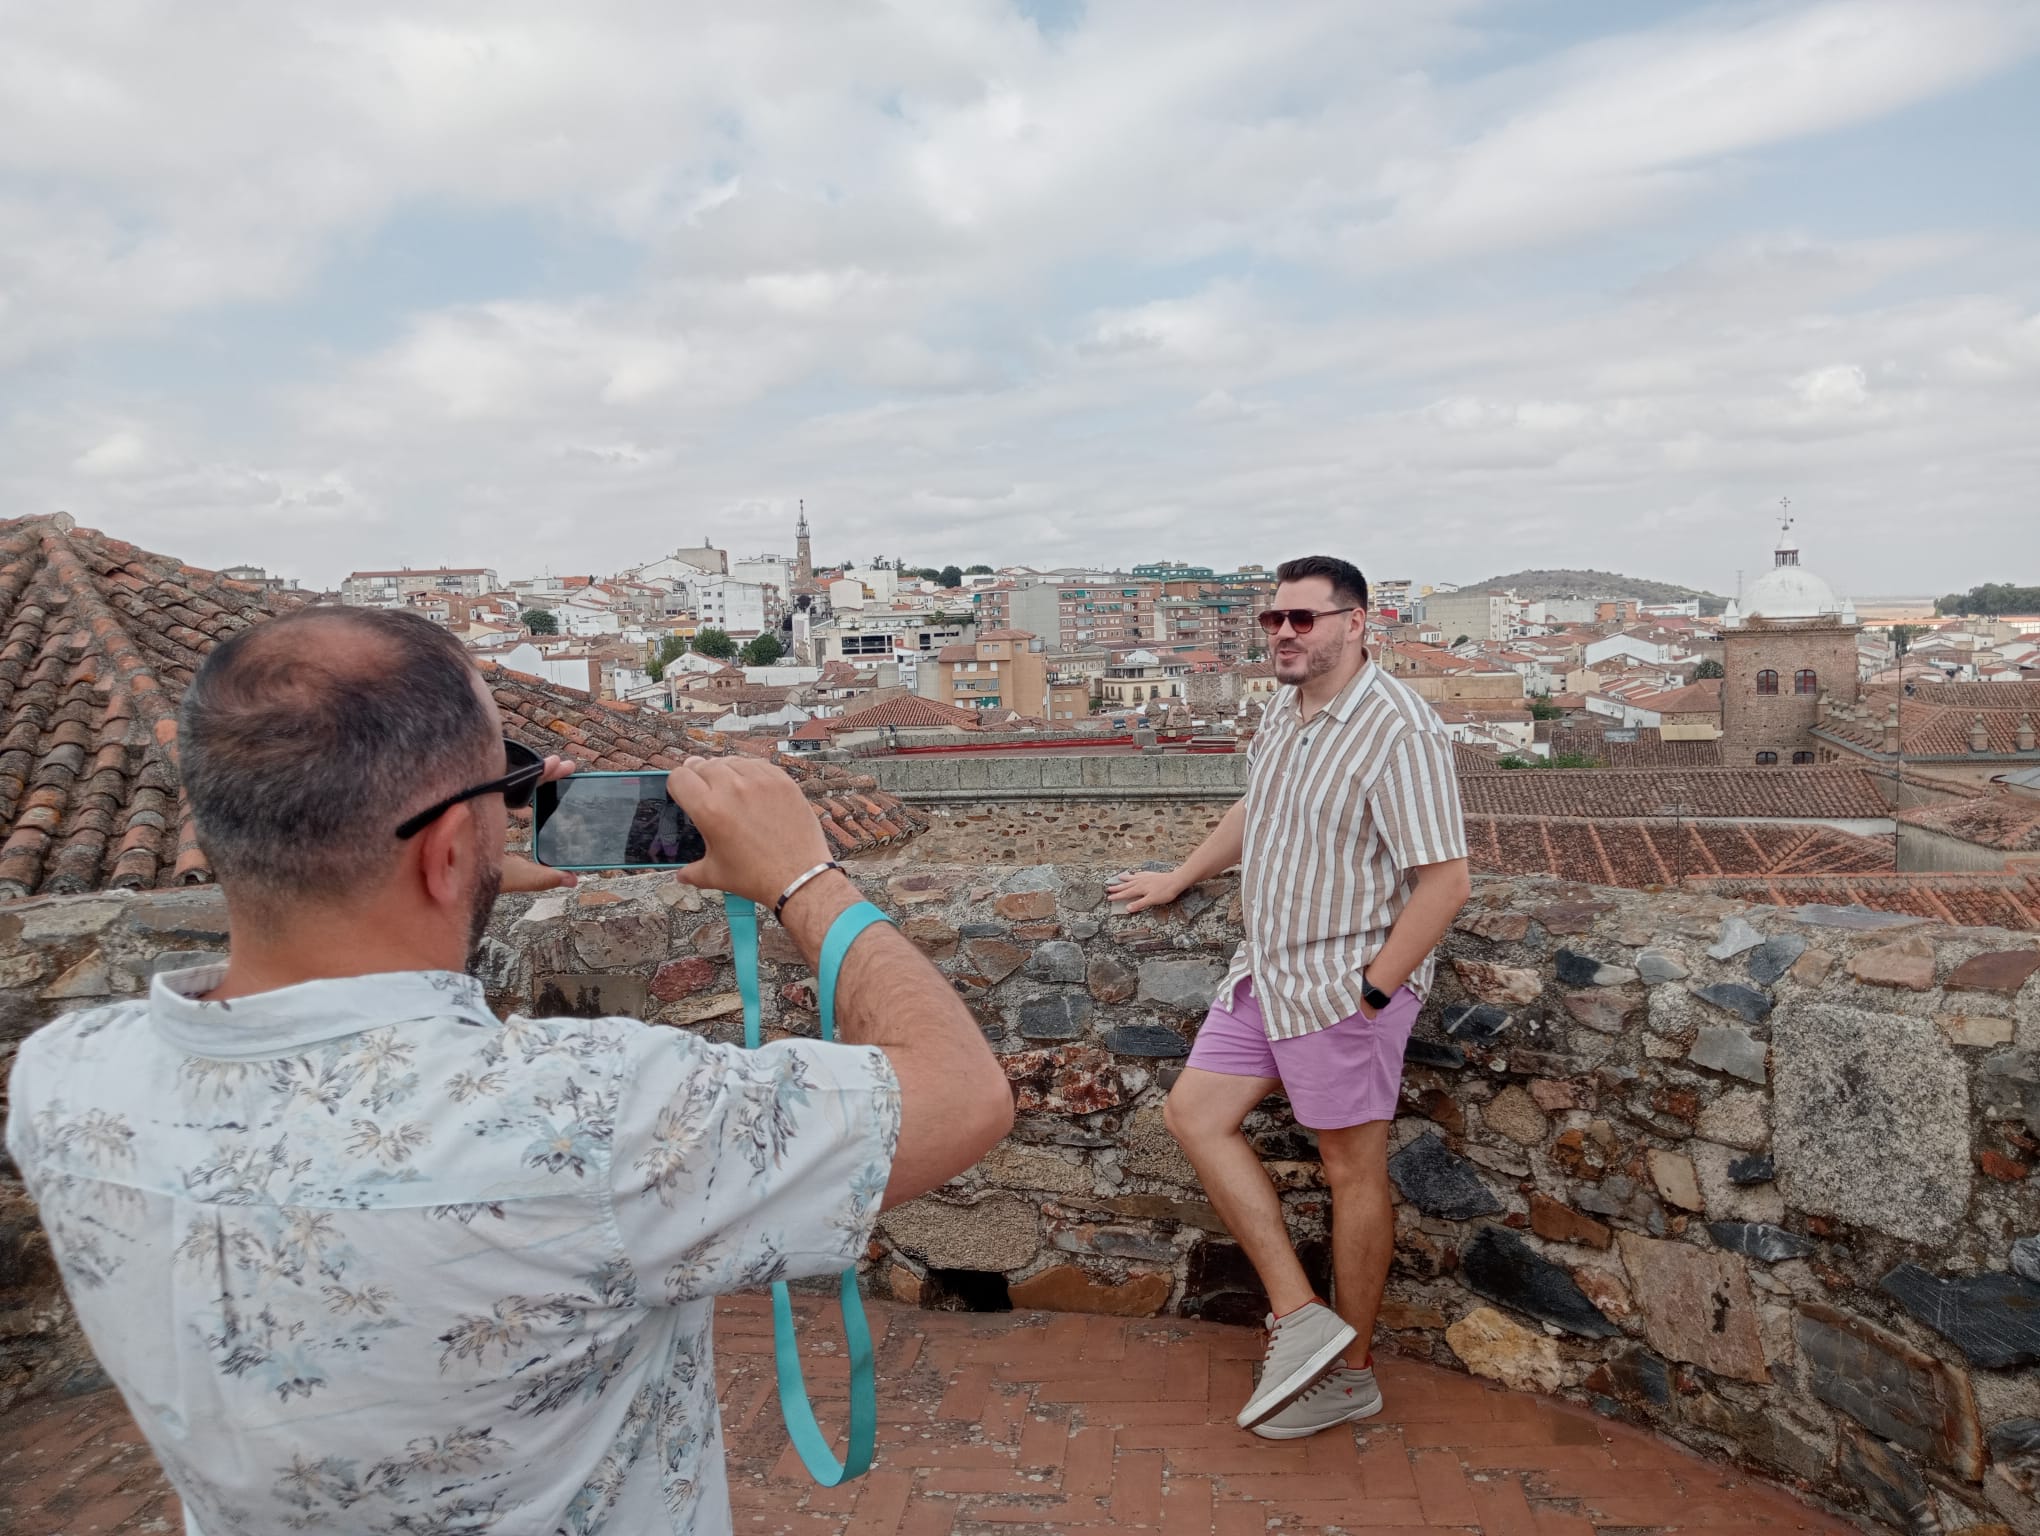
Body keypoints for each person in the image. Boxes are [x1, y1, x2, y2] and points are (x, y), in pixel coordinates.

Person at [6, 607, 1014, 1536]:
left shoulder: (64, 1081)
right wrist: (805, 874)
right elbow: (960, 1095)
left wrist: (455, 875)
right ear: (446, 848)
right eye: (506, 786)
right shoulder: (594, 1121)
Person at [1109, 555, 1469, 1440]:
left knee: (1353, 1172)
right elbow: (1257, 807)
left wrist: (1375, 993)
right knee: (1194, 1116)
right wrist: (1179, 876)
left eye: (1303, 620)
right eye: (1275, 619)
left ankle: (1352, 1374)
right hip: (1267, 971)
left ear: (1357, 623)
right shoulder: (1286, 707)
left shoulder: (1399, 731)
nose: (1283, 634)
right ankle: (1300, 1315)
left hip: (1344, 986)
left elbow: (1446, 881)